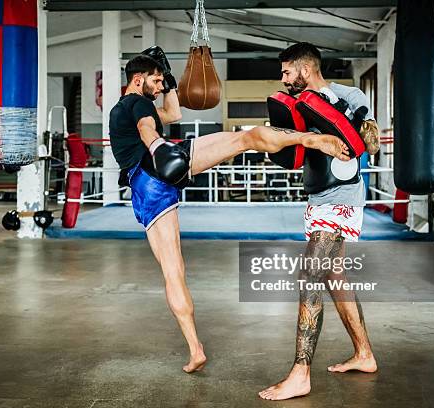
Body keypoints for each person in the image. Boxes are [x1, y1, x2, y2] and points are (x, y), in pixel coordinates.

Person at [109, 47, 351, 373]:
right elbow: (147, 129)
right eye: (154, 80)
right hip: (158, 165)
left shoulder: (122, 108)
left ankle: (195, 350)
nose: (158, 86)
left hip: (149, 180)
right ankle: (309, 138)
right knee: (245, 139)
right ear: (137, 79)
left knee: (172, 271)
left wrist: (168, 82)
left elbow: (174, 114)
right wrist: (157, 147)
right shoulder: (138, 104)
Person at [259, 42, 380, 401]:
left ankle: (300, 374)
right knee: (333, 275)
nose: (282, 79)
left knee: (310, 273)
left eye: (286, 72)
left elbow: (369, 144)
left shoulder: (349, 94)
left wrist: (343, 113)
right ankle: (364, 354)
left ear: (305, 69)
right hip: (317, 198)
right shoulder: (296, 105)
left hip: (341, 197)